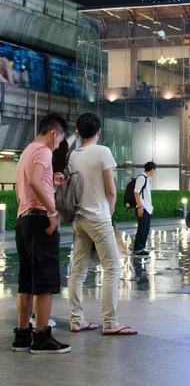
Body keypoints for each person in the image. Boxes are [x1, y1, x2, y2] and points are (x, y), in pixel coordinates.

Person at [68, 113, 137, 335]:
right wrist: (110, 210)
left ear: (79, 132)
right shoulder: (103, 151)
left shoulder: (72, 156)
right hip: (98, 217)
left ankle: (76, 319)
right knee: (112, 268)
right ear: (99, 131)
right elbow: (111, 189)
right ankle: (110, 322)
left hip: (78, 218)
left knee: (77, 271)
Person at [13, 112, 71, 354]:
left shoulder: (27, 150)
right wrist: (52, 212)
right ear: (53, 133)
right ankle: (41, 337)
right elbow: (36, 182)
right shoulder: (44, 150)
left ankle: (22, 335)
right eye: (59, 141)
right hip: (39, 220)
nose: (57, 146)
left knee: (26, 281)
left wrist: (52, 181)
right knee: (44, 283)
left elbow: (28, 184)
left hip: (24, 220)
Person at [133, 161, 157, 255]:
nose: (154, 172)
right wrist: (139, 206)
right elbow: (136, 192)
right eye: (154, 170)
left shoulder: (147, 178)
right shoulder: (141, 178)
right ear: (152, 169)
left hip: (147, 208)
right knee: (142, 229)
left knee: (146, 229)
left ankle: (141, 248)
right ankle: (137, 249)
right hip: (142, 208)